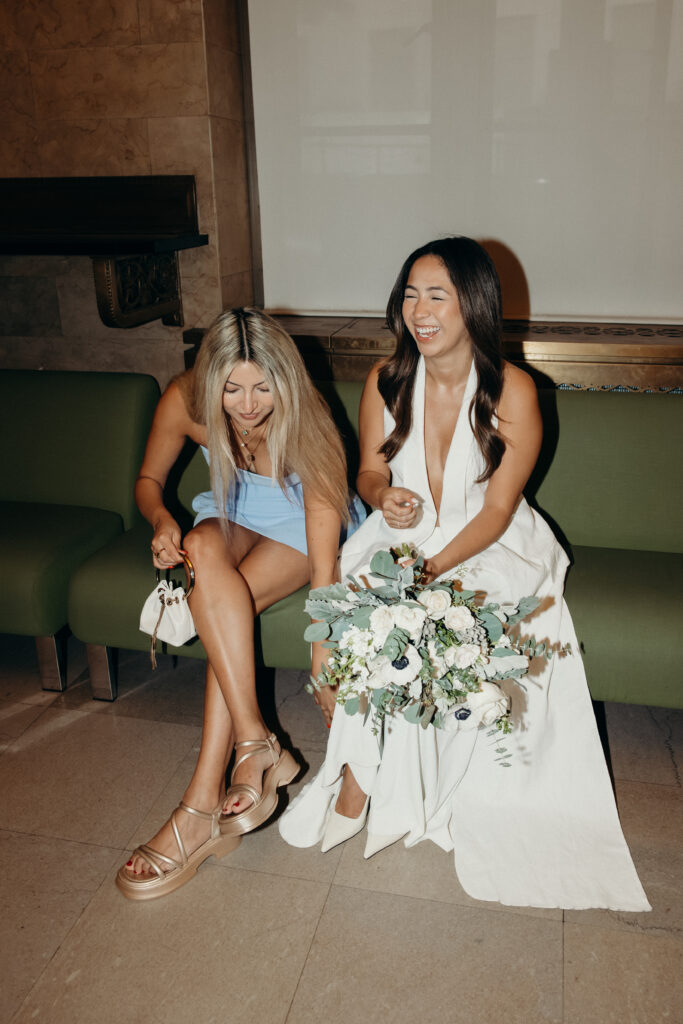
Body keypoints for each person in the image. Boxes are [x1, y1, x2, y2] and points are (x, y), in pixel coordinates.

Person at [278, 237, 650, 911]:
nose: (418, 311)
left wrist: (431, 569)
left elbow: (501, 506)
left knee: (435, 614)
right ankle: (362, 769)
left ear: (472, 305)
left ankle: (393, 777)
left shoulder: (514, 390)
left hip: (490, 541)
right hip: (403, 533)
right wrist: (381, 494)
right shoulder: (385, 379)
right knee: (360, 608)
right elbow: (368, 468)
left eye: (436, 295)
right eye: (409, 295)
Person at [116, 307, 365, 900]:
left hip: (308, 523)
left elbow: (325, 554)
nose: (248, 405)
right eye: (231, 388)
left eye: (262, 387)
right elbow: (148, 482)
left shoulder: (309, 416)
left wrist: (322, 644)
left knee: (221, 606)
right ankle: (258, 742)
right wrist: (160, 522)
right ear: (209, 381)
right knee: (201, 544)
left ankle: (200, 806)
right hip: (232, 512)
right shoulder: (184, 400)